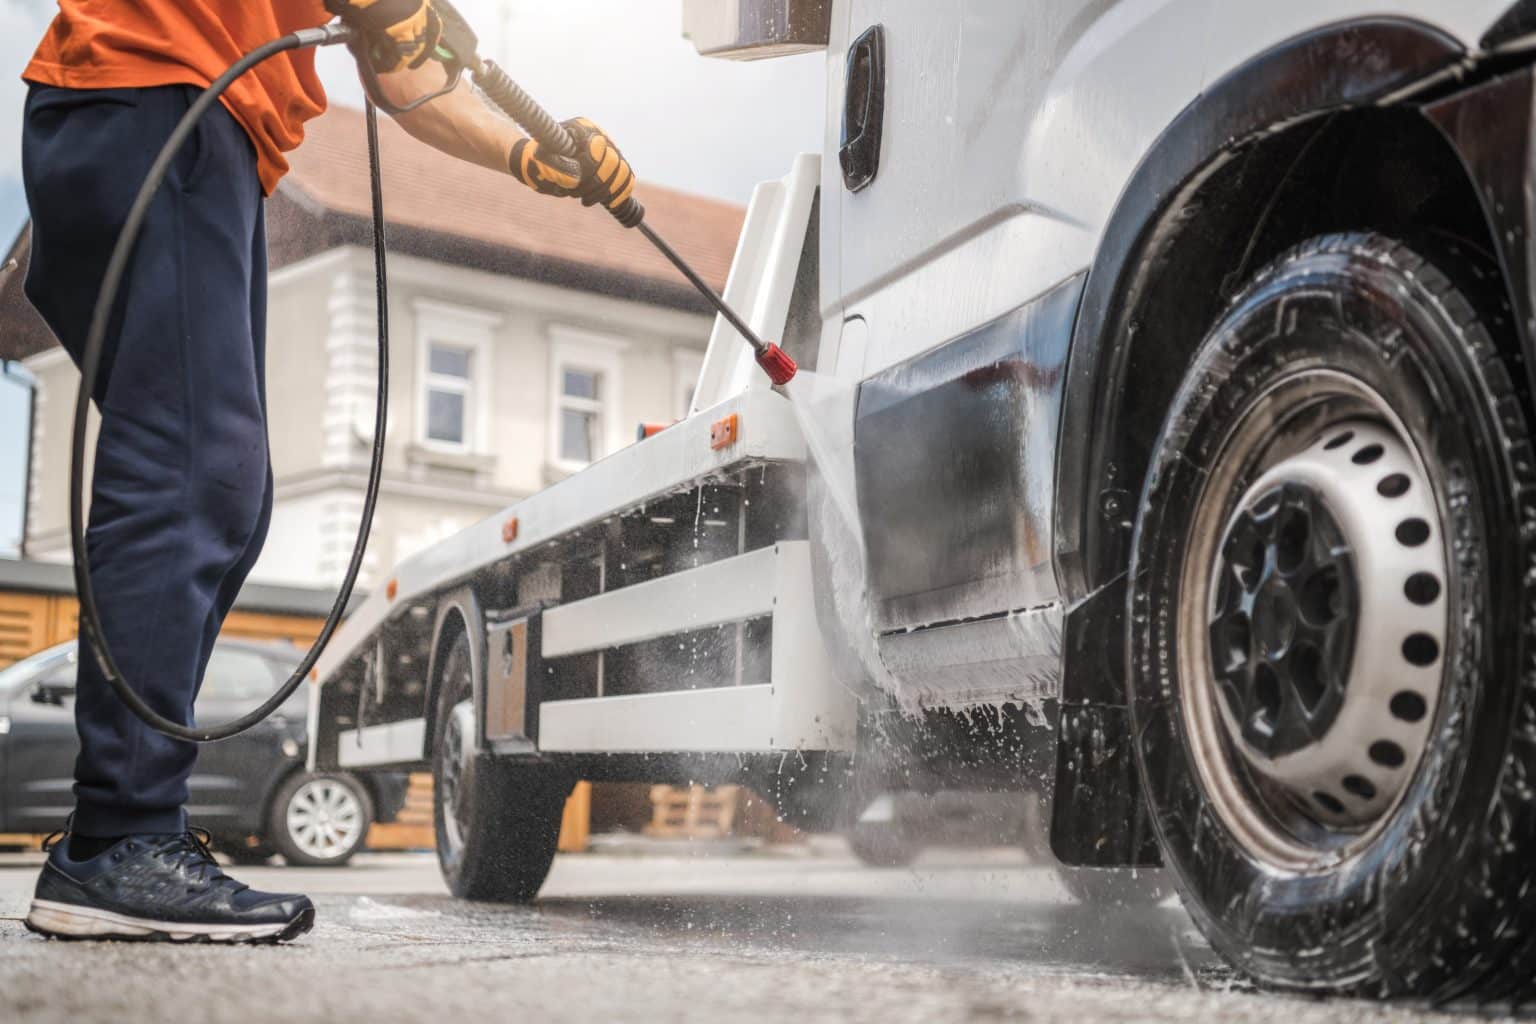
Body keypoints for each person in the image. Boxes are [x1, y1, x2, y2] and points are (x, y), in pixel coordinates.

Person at [18, 0, 633, 944]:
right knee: (191, 476)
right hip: (154, 90)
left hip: (178, 123)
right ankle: (117, 844)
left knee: (227, 493)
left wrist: (530, 155)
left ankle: (122, 837)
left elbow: (406, 72)